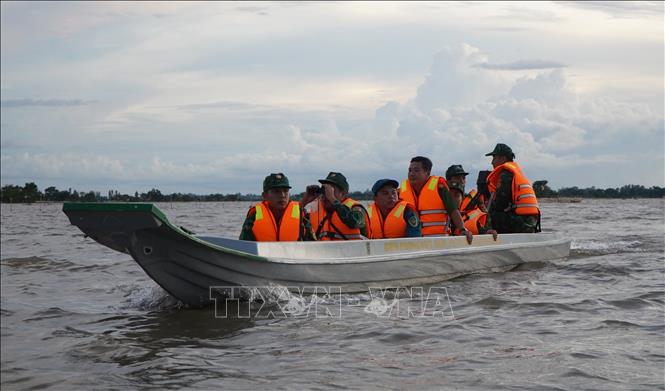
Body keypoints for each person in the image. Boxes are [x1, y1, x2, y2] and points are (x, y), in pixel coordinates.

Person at [399, 156, 472, 244]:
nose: (412, 174)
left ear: (427, 172)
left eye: (416, 170)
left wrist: (462, 229)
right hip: (412, 243)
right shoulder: (402, 190)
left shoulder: (439, 186)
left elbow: (452, 210)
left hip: (438, 243)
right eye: (410, 170)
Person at [239, 173, 316, 241]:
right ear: (265, 196)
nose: (282, 195)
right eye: (276, 191)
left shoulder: (300, 214)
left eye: (285, 191)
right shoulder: (254, 215)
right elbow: (244, 246)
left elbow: (312, 246)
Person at [485, 143, 541, 233]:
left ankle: (488, 236)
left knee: (490, 214)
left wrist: (487, 206)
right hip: (531, 222)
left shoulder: (506, 174)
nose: (492, 162)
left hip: (522, 223)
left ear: (502, 158)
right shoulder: (516, 172)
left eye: (494, 158)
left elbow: (500, 203)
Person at [301, 172, 370, 240]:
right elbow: (296, 223)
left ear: (343, 193)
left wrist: (332, 199)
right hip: (323, 251)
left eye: (331, 190)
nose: (326, 195)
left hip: (353, 250)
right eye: (324, 190)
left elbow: (354, 222)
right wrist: (304, 202)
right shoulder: (316, 210)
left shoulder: (356, 208)